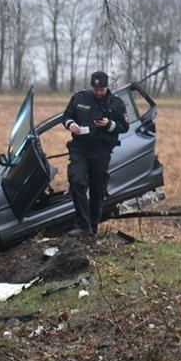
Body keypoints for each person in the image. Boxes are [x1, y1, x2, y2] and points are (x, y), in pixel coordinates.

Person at [62, 71, 129, 237]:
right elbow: (67, 116)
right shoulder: (79, 98)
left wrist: (109, 124)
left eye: (101, 89)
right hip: (80, 149)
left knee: (97, 190)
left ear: (107, 87)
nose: (98, 92)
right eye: (96, 89)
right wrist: (70, 124)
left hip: (101, 150)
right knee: (77, 181)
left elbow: (124, 126)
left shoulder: (116, 103)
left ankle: (92, 228)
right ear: (92, 86)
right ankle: (83, 226)